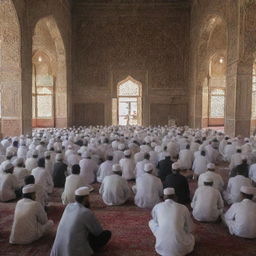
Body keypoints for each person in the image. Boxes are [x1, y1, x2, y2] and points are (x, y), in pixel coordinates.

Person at [50, 186, 111, 256]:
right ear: (86, 198)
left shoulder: (68, 206)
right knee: (107, 234)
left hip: (57, 252)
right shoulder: (86, 212)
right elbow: (98, 232)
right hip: (74, 252)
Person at [149, 187, 195, 256]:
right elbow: (189, 228)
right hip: (181, 249)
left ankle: (162, 236)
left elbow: (155, 220)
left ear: (164, 197)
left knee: (151, 222)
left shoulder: (157, 206)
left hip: (161, 248)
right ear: (175, 197)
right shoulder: (183, 207)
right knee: (191, 237)